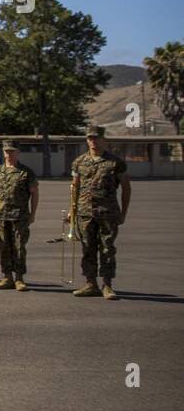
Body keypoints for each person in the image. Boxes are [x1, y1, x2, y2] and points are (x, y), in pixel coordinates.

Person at [69, 126, 130, 299]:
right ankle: (90, 284)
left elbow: (126, 188)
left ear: (104, 140)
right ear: (87, 140)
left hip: (108, 213)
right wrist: (71, 211)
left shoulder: (116, 163)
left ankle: (107, 285)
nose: (93, 141)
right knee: (87, 248)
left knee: (107, 249)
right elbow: (75, 188)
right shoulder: (79, 162)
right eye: (90, 138)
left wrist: (123, 213)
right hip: (85, 214)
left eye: (96, 138)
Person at [0, 141, 38, 291]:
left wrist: (33, 214)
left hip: (20, 217)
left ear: (18, 152)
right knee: (4, 247)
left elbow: (34, 194)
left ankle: (19, 278)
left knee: (19, 247)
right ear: (3, 153)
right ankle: (7, 277)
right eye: (6, 151)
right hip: (1, 216)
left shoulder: (26, 172)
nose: (9, 154)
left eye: (12, 151)